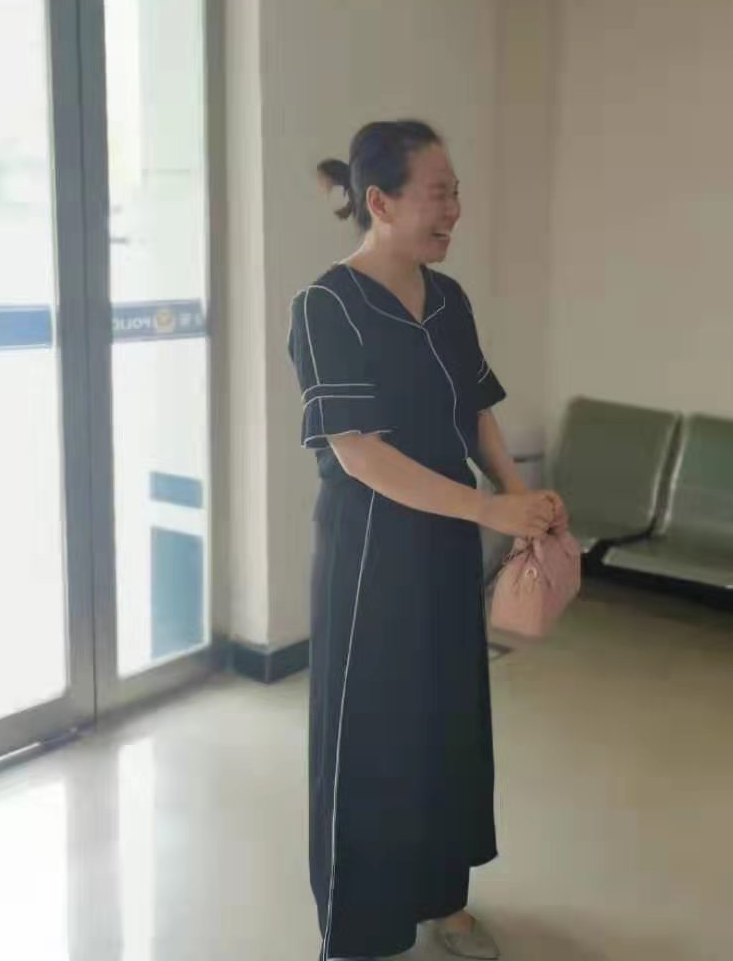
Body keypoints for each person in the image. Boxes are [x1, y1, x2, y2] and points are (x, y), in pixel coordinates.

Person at [288, 120, 565, 961]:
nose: (454, 211)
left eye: (456, 192)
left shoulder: (449, 300)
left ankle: (446, 896)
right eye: (438, 194)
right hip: (370, 556)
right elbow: (359, 453)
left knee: (448, 721)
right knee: (372, 736)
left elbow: (473, 410)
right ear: (380, 202)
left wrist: (517, 494)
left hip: (447, 548)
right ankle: (359, 929)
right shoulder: (327, 307)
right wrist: (487, 510)